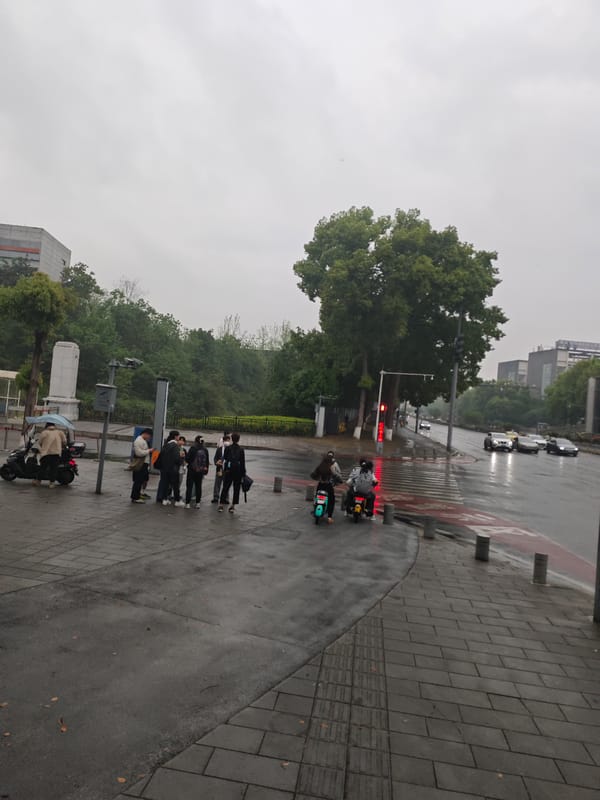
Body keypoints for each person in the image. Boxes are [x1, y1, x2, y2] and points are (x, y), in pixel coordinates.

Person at [218, 432, 246, 513]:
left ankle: (221, 505)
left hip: (228, 470)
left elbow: (225, 458)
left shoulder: (228, 448)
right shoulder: (241, 450)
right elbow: (242, 462)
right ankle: (233, 506)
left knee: (225, 487)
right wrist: (243, 473)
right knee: (236, 489)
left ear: (232, 439)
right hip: (238, 471)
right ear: (238, 440)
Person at [156, 430, 185, 507]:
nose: (179, 437)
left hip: (165, 469)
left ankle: (165, 499)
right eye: (178, 436)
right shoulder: (175, 446)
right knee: (175, 485)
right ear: (175, 436)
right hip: (173, 469)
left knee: (166, 484)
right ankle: (177, 500)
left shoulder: (166, 445)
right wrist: (181, 458)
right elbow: (177, 459)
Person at [34, 422, 67, 488]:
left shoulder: (44, 432)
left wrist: (41, 450)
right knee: (54, 469)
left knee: (43, 468)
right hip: (56, 453)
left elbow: (38, 443)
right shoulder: (60, 432)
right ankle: (52, 483)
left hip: (46, 453)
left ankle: (38, 481)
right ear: (54, 426)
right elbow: (65, 442)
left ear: (46, 426)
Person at [311, 453, 339, 524]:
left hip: (320, 485)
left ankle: (315, 509)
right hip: (328, 486)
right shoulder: (331, 467)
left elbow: (313, 475)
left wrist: (318, 478)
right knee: (331, 500)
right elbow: (336, 476)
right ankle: (329, 517)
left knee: (317, 497)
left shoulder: (320, 466)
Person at [185, 435, 209, 508]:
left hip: (192, 470)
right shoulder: (205, 449)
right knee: (198, 486)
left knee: (189, 486)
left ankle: (187, 503)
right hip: (200, 471)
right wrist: (205, 470)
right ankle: (198, 503)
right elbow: (207, 461)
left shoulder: (193, 448)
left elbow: (187, 459)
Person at [130, 428, 153, 504]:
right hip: (140, 464)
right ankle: (135, 497)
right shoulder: (139, 441)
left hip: (144, 463)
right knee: (138, 480)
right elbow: (139, 453)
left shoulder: (143, 441)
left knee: (141, 480)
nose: (149, 438)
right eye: (149, 436)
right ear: (146, 434)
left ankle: (138, 495)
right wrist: (149, 451)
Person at [212, 433, 231, 503]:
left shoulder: (231, 449)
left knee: (226, 485)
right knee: (217, 484)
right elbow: (215, 458)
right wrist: (216, 462)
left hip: (227, 470)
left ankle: (226, 498)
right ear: (223, 441)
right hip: (219, 469)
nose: (227, 442)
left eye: (228, 440)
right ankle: (216, 497)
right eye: (226, 440)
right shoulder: (219, 449)